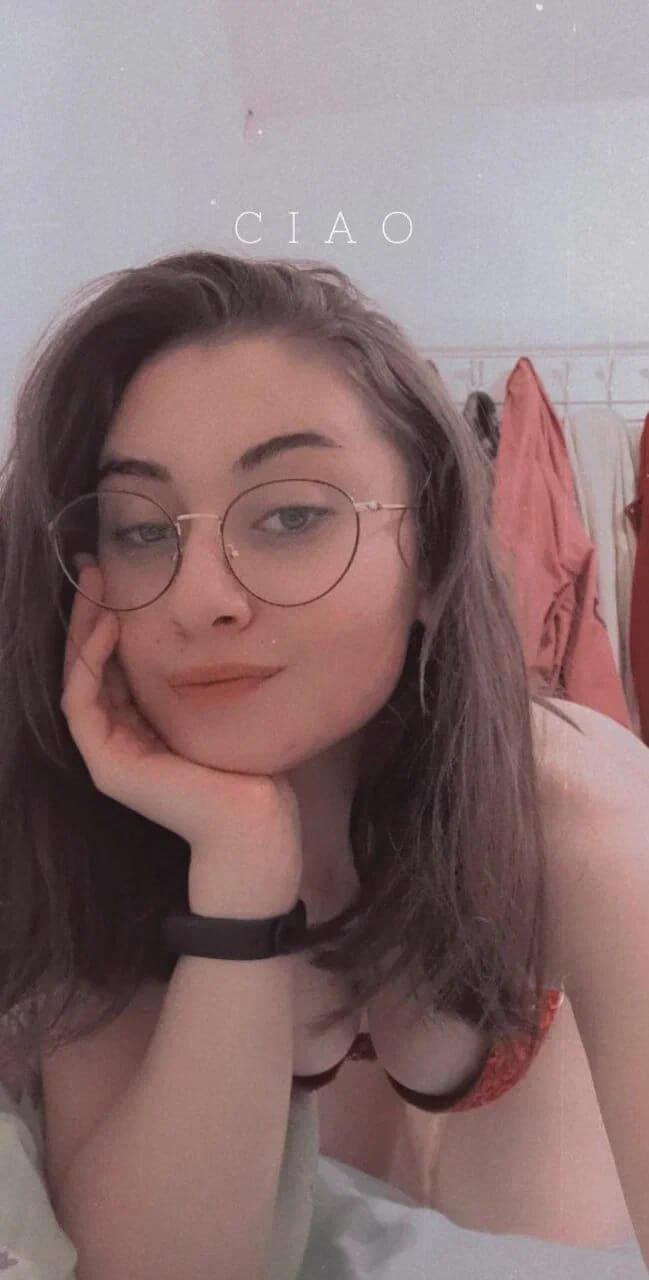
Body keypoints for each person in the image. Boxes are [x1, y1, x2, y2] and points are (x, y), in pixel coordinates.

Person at [0, 250, 648, 1277]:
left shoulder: (574, 800)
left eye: (290, 515)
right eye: (141, 529)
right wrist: (239, 871)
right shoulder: (92, 832)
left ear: (432, 558)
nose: (200, 597)